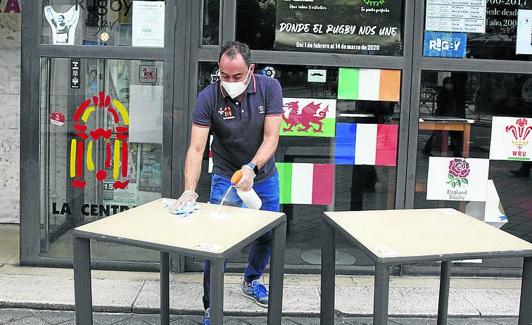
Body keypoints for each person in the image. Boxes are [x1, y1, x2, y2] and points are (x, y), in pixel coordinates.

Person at [172, 41, 283, 325]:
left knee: (267, 235)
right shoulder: (208, 97)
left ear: (251, 70)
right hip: (225, 176)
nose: (230, 82)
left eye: (237, 76)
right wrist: (189, 189)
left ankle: (252, 280)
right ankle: (211, 307)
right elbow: (197, 148)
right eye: (225, 76)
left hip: (263, 176)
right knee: (216, 244)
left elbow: (271, 138)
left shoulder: (270, 88)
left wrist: (251, 168)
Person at [423, 76, 466, 157]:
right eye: (448, 83)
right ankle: (427, 149)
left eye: (451, 83)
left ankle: (456, 152)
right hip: (444, 117)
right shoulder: (443, 93)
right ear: (444, 84)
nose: (449, 85)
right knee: (438, 134)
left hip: (452, 117)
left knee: (455, 135)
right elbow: (441, 106)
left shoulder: (453, 93)